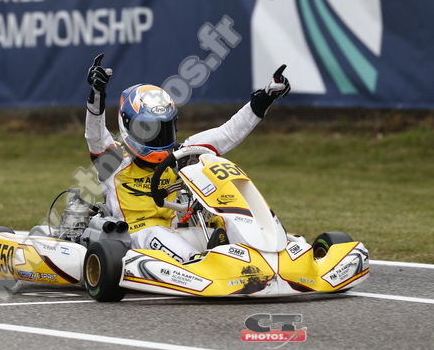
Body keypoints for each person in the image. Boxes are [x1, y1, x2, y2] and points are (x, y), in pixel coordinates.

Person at [84, 53, 290, 263]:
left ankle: (262, 255)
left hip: (175, 232)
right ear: (128, 125)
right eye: (149, 129)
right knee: (157, 233)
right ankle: (204, 265)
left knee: (227, 216)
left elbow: (228, 133)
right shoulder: (115, 160)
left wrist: (266, 97)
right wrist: (97, 93)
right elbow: (95, 135)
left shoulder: (180, 154)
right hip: (134, 236)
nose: (159, 137)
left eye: (164, 128)